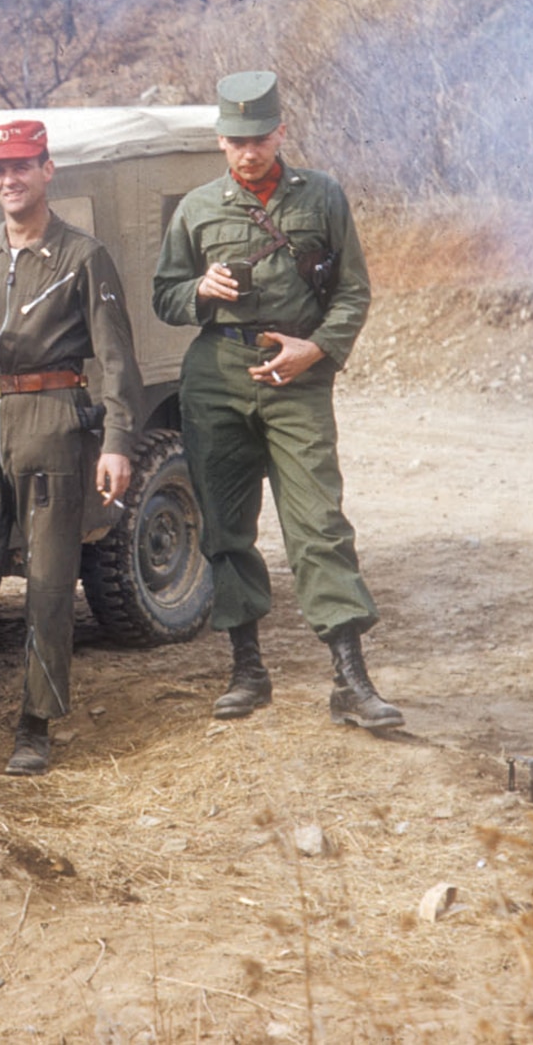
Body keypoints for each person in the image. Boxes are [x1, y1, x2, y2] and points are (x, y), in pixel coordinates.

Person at [150, 71, 402, 729]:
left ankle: (350, 678)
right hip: (217, 376)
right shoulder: (196, 209)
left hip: (298, 375)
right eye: (235, 140)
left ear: (280, 133)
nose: (247, 151)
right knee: (226, 528)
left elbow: (353, 292)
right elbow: (165, 296)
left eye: (258, 137)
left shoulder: (321, 196)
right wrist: (200, 288)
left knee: (319, 523)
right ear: (219, 141)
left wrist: (315, 350)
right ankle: (247, 670)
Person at [0, 120, 144, 776]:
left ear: (48, 170)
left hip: (51, 421)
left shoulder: (83, 256)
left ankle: (35, 725)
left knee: (47, 582)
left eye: (21, 167)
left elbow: (117, 360)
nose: (9, 180)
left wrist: (118, 442)